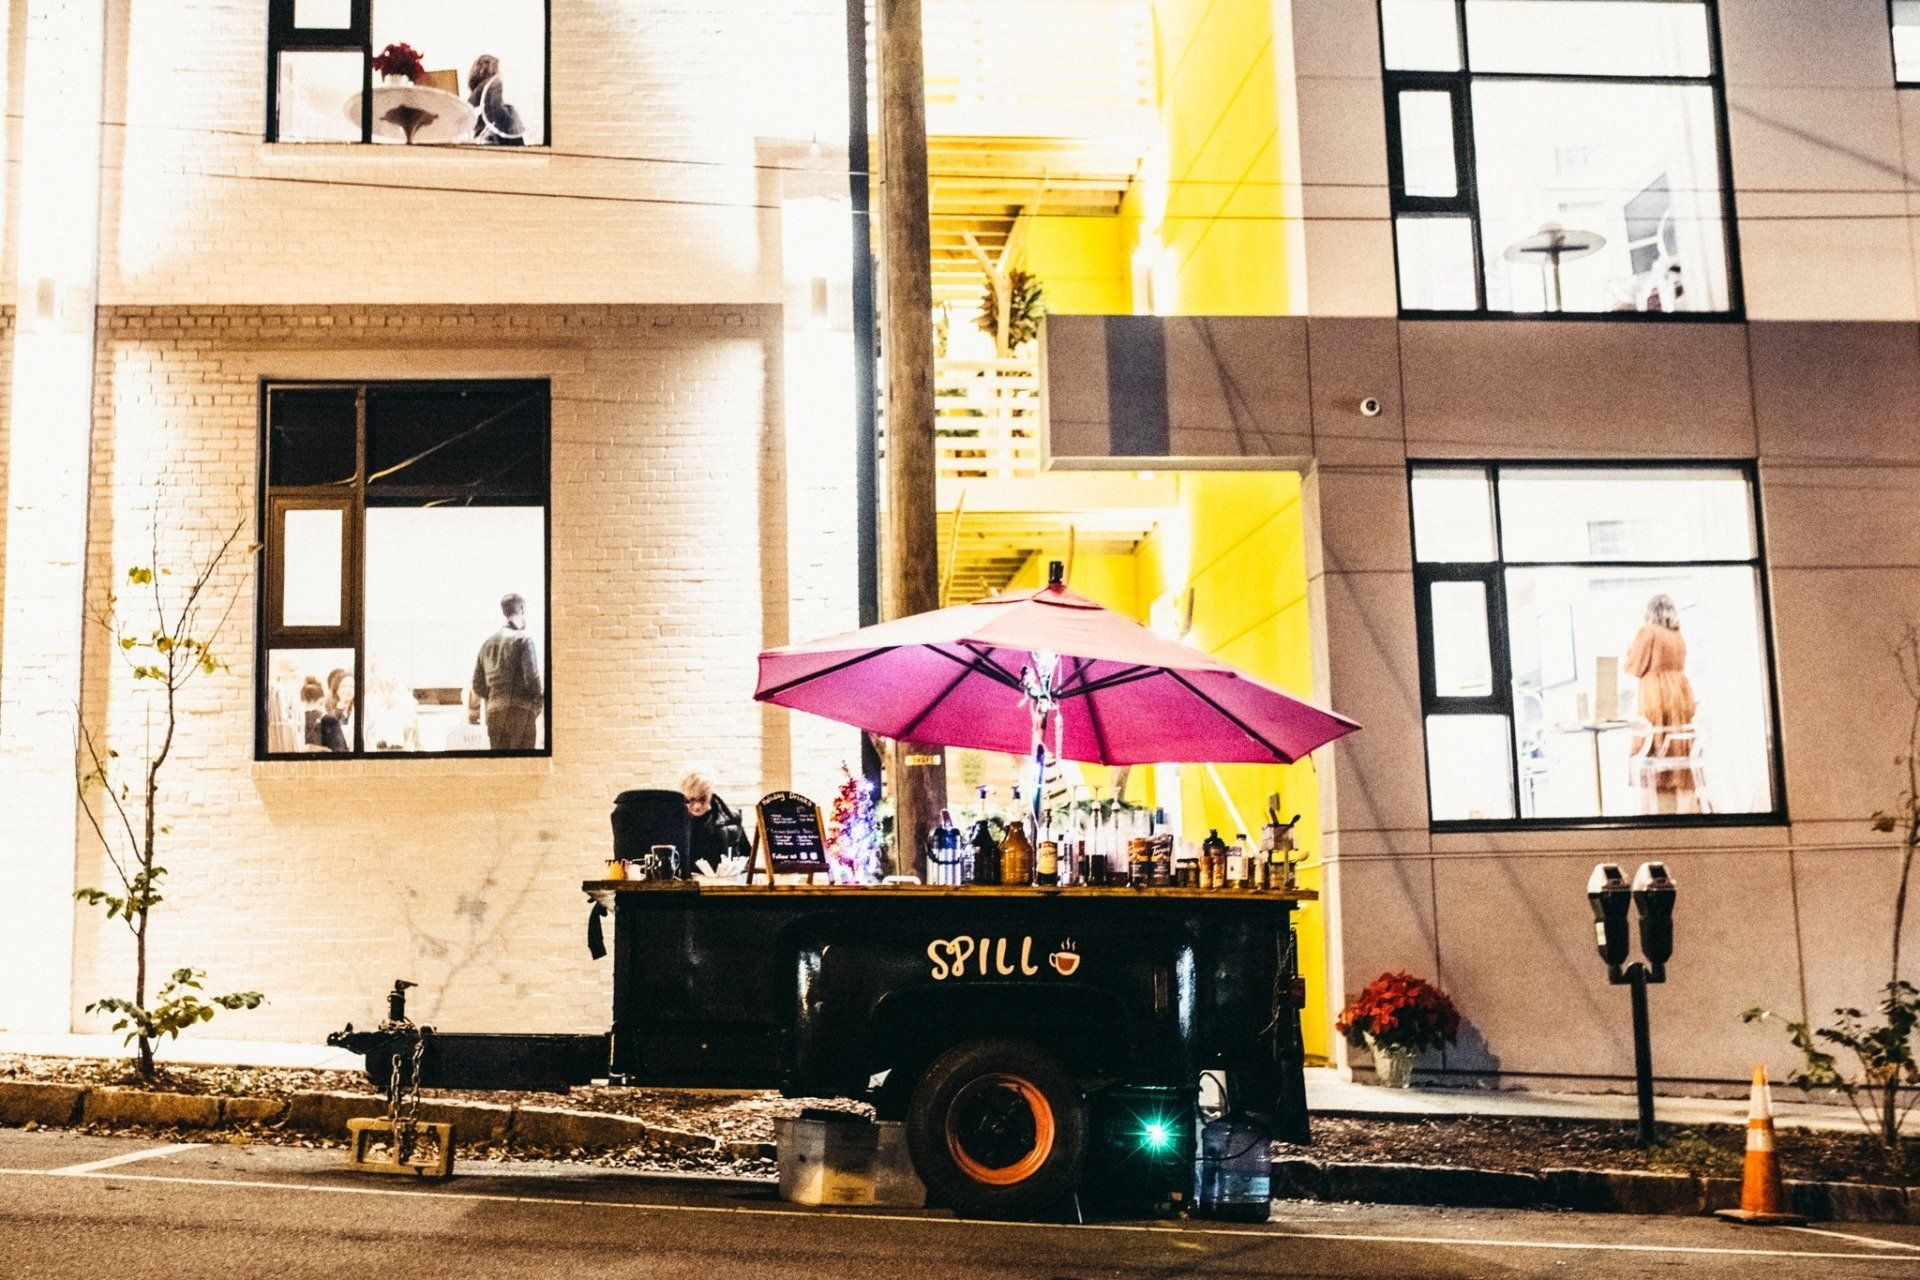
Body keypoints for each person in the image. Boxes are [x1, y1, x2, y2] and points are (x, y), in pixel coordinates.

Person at [1623, 593, 1700, 814]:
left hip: (1655, 696)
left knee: (1648, 756)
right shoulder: (1678, 636)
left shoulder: (1648, 633)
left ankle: (1648, 818)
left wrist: (1630, 648)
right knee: (1680, 760)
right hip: (1680, 696)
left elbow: (1634, 667)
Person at [472, 593, 544, 750]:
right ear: (522, 608)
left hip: (494, 715)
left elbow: (477, 685)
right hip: (521, 712)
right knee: (524, 767)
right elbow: (532, 678)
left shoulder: (486, 645)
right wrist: (538, 702)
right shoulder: (524, 639)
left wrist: (495, 698)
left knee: (501, 766)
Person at [681, 765, 751, 871]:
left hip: (722, 885)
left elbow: (747, 859)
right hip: (687, 886)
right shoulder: (675, 821)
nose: (697, 806)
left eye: (703, 798)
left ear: (710, 793)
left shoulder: (732, 819)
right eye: (690, 800)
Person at [467, 55, 527, 146]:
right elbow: (498, 116)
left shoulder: (472, 97)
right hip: (501, 143)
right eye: (499, 70)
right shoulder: (494, 85)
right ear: (492, 71)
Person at [319, 669, 355, 754]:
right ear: (336, 689)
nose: (348, 690)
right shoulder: (327, 709)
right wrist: (338, 709)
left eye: (351, 686)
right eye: (344, 686)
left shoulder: (361, 710)